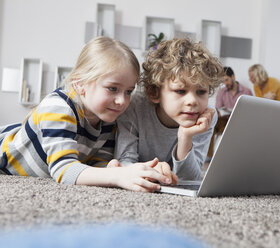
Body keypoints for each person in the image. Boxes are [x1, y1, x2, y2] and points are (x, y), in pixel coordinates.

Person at [0, 36, 172, 192]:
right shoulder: (59, 107)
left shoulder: (109, 119)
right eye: (113, 88)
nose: (122, 101)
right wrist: (118, 175)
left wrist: (113, 169)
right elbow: (64, 170)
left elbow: (96, 161)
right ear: (80, 84)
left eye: (128, 91)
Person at [114, 38, 224, 182]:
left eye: (201, 92)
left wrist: (185, 137)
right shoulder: (135, 107)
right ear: (154, 92)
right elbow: (123, 163)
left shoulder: (206, 116)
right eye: (180, 91)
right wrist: (152, 171)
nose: (192, 101)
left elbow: (191, 179)